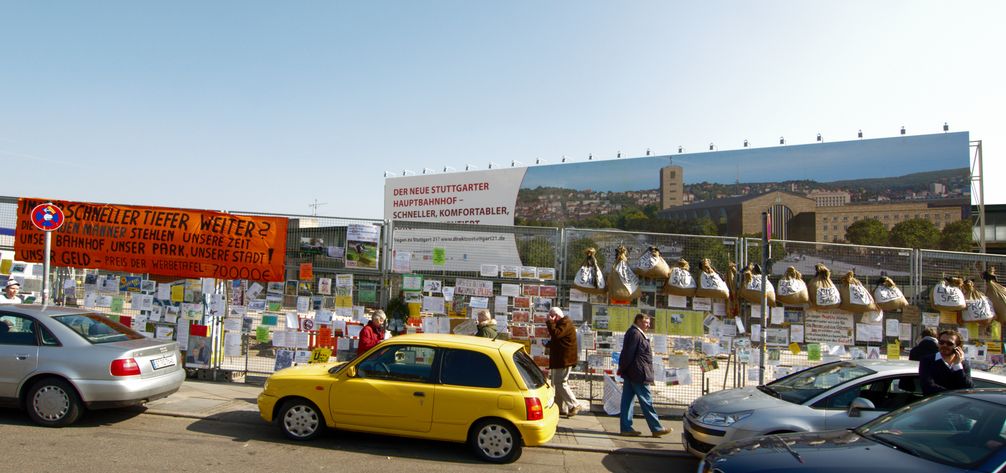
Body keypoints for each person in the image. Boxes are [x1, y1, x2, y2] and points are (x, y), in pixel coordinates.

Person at [617, 313, 671, 437]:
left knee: (627, 401)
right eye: (646, 322)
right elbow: (628, 354)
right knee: (646, 401)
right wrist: (623, 368)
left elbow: (628, 354)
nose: (648, 325)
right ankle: (656, 428)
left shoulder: (634, 333)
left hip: (632, 372)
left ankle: (626, 428)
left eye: (648, 322)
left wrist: (623, 369)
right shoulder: (636, 333)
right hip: (638, 373)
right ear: (639, 321)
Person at [546, 307, 580, 417]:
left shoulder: (565, 323)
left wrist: (549, 322)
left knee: (560, 383)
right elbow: (559, 339)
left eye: (552, 316)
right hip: (562, 359)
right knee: (558, 382)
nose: (551, 318)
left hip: (564, 359)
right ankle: (559, 408)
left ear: (556, 316)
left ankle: (574, 404)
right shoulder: (563, 323)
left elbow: (556, 334)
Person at [919, 329, 974, 396]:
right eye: (941, 342)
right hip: (934, 403)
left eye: (949, 343)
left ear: (958, 347)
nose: (944, 345)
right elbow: (928, 387)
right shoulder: (928, 360)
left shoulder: (963, 364)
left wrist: (957, 366)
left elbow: (968, 388)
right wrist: (953, 394)